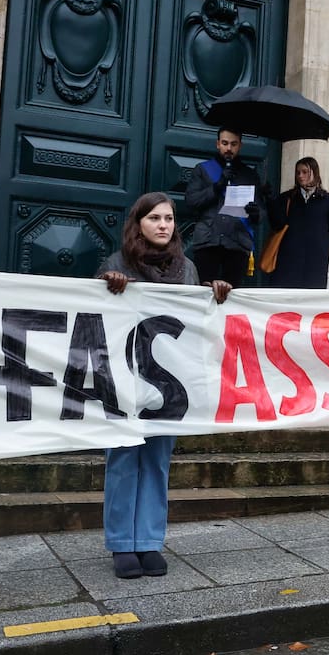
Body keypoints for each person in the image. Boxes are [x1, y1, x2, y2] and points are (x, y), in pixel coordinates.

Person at [96, 192, 231, 579]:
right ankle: (123, 543)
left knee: (156, 462)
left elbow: (195, 319)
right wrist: (108, 286)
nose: (163, 225)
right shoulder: (116, 264)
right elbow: (93, 319)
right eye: (154, 218)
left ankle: (150, 542)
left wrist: (215, 292)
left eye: (169, 218)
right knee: (123, 460)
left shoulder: (186, 268)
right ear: (138, 222)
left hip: (169, 385)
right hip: (123, 379)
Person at [184, 127, 263, 288]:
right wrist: (217, 185)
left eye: (233, 144)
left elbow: (261, 213)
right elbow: (192, 201)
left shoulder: (250, 175)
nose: (229, 148)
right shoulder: (203, 170)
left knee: (232, 296)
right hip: (207, 241)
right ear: (217, 144)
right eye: (225, 143)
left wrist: (256, 213)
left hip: (237, 243)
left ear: (240, 145)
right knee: (203, 293)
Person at [265, 156, 329, 289]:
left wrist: (321, 243)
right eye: (298, 172)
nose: (300, 176)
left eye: (305, 172)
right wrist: (269, 202)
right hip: (288, 262)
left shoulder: (327, 200)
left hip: (315, 264)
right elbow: (276, 225)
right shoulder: (287, 198)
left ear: (314, 172)